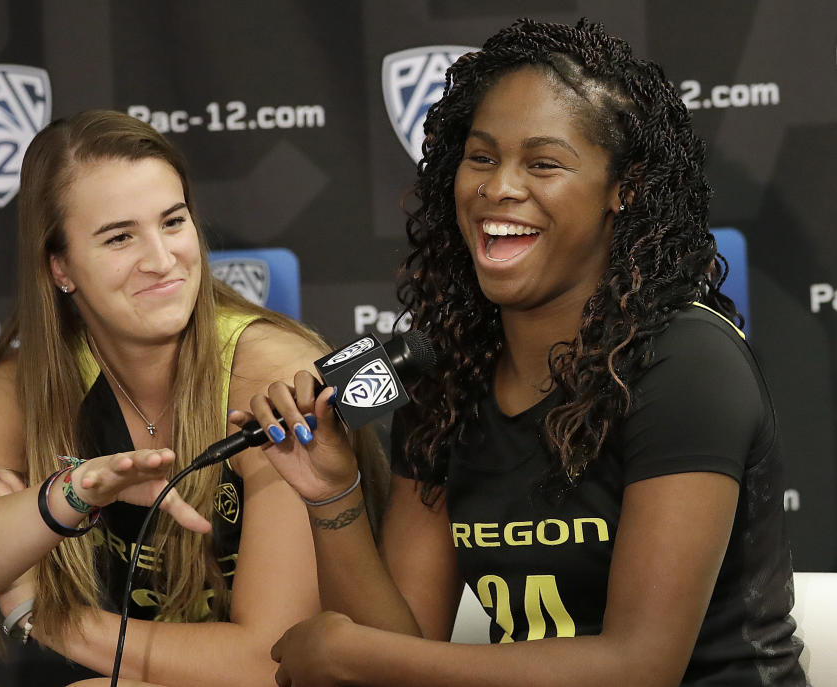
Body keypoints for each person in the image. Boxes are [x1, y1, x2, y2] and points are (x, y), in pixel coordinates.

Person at [229, 18, 807, 687]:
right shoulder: (447, 377)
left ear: (624, 188)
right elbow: (403, 646)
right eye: (480, 157)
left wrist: (355, 654)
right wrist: (333, 491)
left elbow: (637, 668)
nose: (498, 187)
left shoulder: (685, 363)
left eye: (543, 163)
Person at [0, 110, 387, 687]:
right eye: (119, 237)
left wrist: (43, 614)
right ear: (60, 267)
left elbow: (271, 661)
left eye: (173, 222)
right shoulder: (28, 386)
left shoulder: (270, 377)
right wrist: (71, 493)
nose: (162, 260)